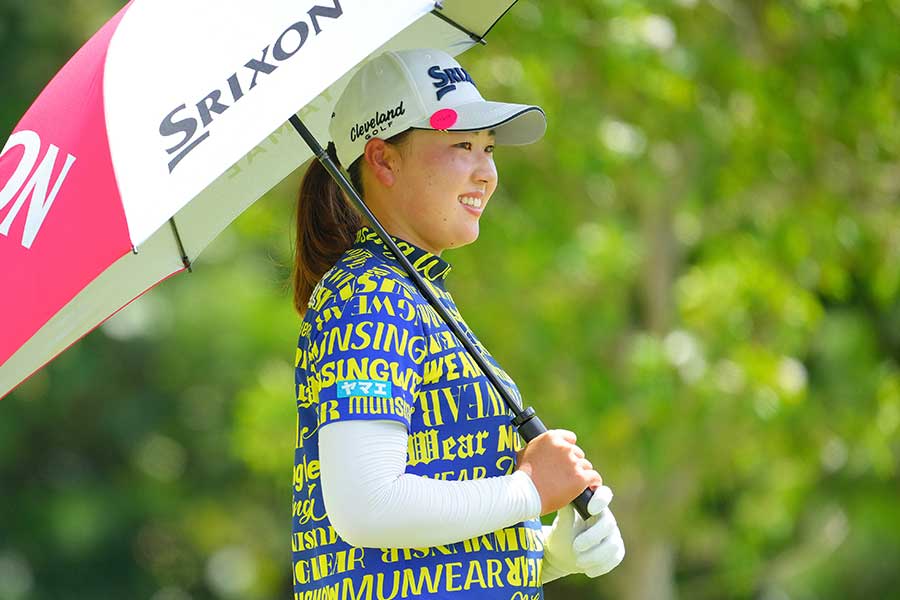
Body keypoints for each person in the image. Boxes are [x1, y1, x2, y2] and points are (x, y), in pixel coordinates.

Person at [290, 48, 624, 599]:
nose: (486, 172)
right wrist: (530, 491)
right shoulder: (369, 297)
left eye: (489, 148)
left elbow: (434, 553)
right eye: (461, 145)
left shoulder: (413, 293)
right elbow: (366, 507)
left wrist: (545, 552)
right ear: (383, 160)